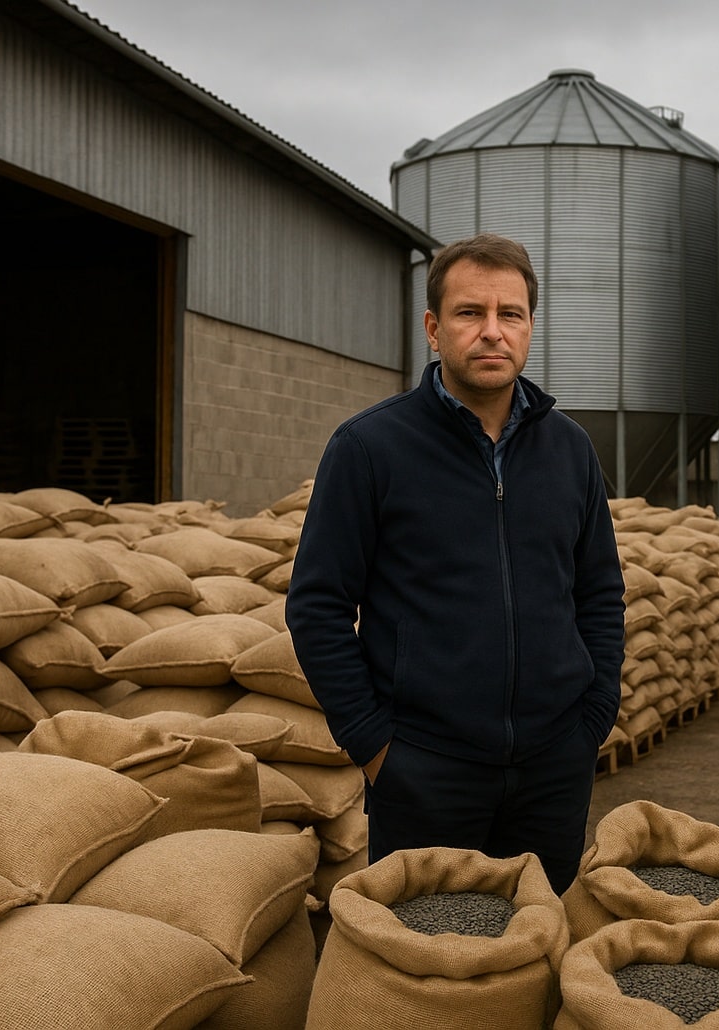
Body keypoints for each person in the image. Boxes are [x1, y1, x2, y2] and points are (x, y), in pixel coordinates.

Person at [285, 232, 626, 894]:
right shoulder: (371, 447)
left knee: (537, 958)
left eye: (510, 315)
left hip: (553, 769)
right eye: (471, 314)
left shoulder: (570, 450)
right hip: (424, 773)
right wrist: (377, 748)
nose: (492, 332)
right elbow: (318, 604)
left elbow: (599, 593)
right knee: (426, 979)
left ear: (530, 327)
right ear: (434, 330)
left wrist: (590, 722)